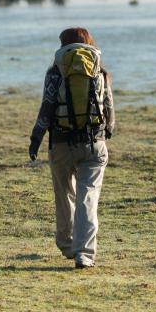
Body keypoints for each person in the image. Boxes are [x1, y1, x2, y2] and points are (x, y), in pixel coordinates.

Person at [29, 27, 115, 269]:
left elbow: (46, 108)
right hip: (94, 144)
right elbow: (109, 109)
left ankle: (67, 245)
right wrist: (106, 132)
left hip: (61, 143)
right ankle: (84, 254)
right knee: (88, 198)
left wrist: (36, 138)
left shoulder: (55, 72)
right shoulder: (100, 71)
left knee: (64, 195)